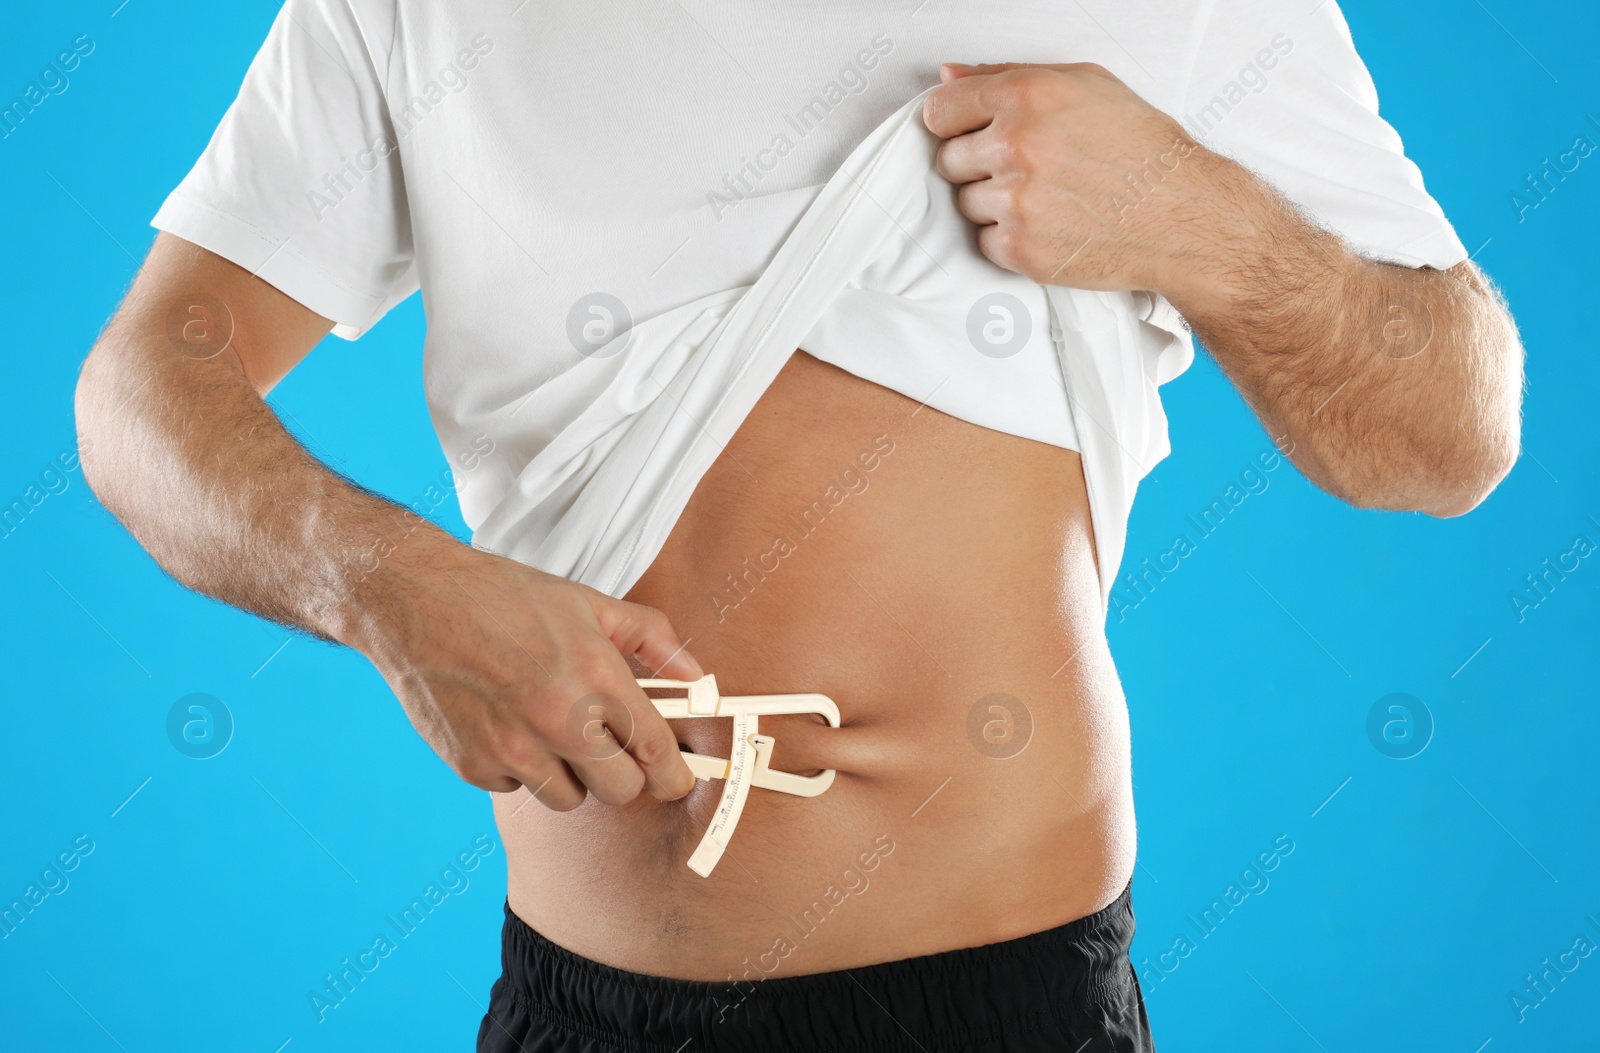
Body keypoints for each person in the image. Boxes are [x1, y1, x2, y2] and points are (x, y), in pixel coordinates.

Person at [73, 1, 1523, 1049]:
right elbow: (144, 391)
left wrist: (1205, 223)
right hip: (592, 1001)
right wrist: (393, 589)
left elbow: (1453, 429)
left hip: (1010, 1002)